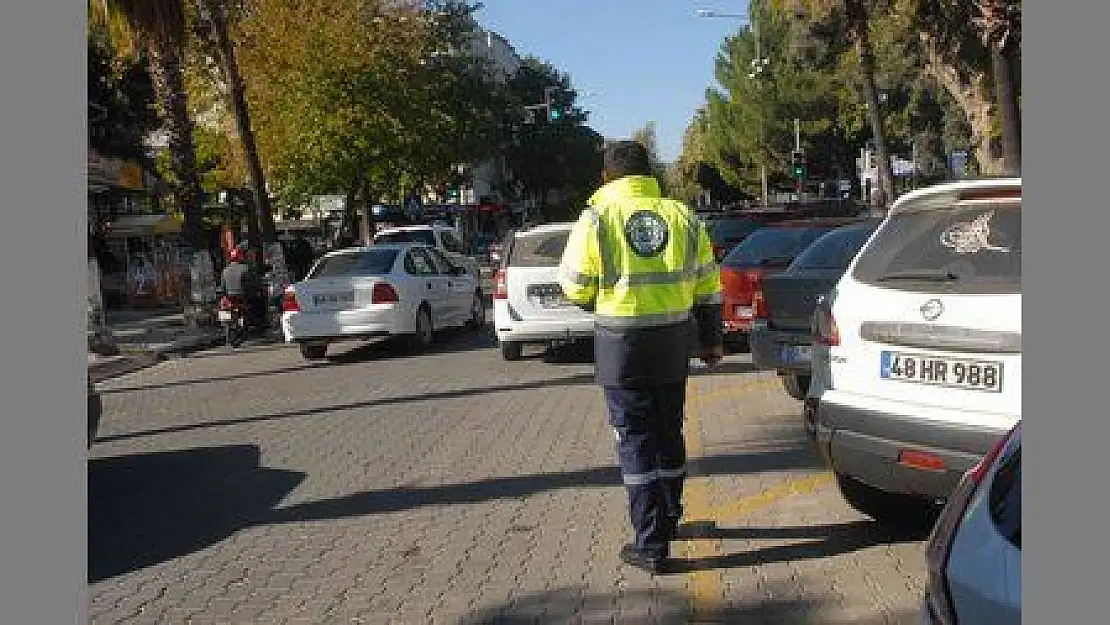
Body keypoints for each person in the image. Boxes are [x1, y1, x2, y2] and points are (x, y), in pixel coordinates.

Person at [558, 140, 724, 575]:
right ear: (649, 174)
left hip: (621, 344)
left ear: (607, 178)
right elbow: (709, 285)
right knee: (669, 432)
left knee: (635, 441)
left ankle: (651, 545)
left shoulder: (596, 218)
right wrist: (711, 340)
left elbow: (574, 285)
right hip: (672, 341)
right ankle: (670, 519)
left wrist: (603, 298)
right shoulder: (684, 216)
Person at [220, 246, 261, 324]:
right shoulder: (245, 268)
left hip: (230, 296)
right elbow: (251, 284)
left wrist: (225, 295)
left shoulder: (225, 271)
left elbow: (223, 287)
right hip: (243, 296)